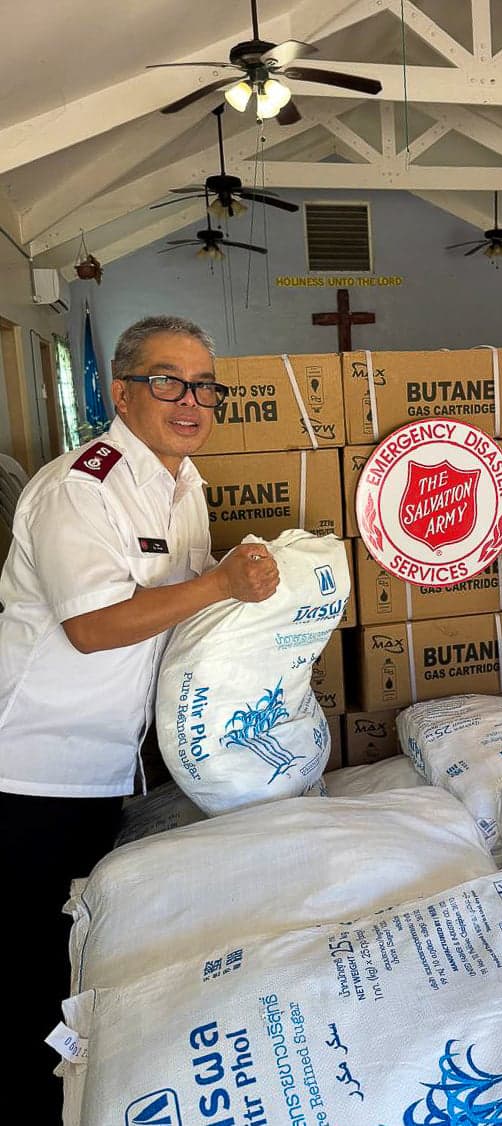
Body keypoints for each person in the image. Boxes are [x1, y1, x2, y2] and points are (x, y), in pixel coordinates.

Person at [0, 314, 279, 1121]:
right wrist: (221, 585)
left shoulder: (183, 483)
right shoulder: (80, 488)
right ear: (121, 393)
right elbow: (92, 626)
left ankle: (79, 1089)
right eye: (167, 381)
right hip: (34, 766)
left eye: (204, 386)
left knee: (83, 945)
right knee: (33, 958)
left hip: (107, 760)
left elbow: (175, 605)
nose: (190, 401)